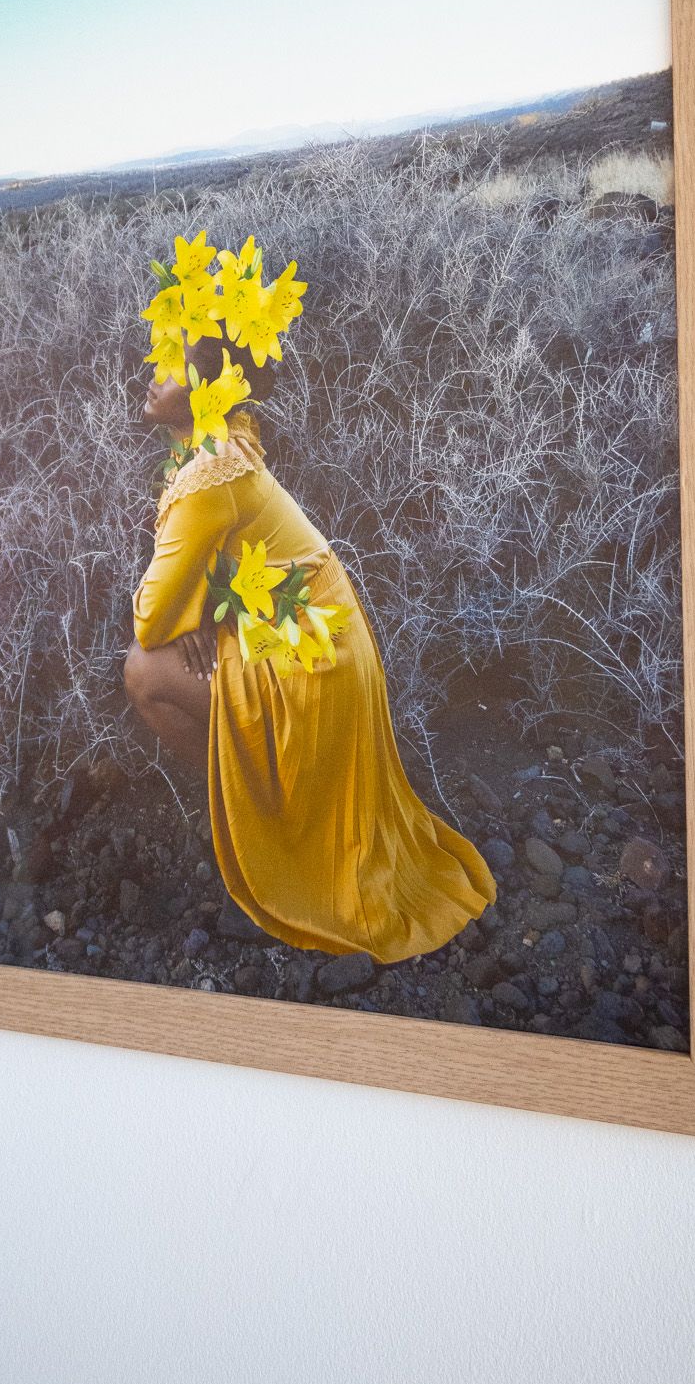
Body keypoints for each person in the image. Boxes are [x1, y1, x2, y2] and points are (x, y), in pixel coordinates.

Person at [123, 277, 496, 964]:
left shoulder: (210, 473)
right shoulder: (221, 438)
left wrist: (184, 612)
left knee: (144, 671)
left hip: (313, 654)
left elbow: (150, 622)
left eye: (172, 365)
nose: (152, 375)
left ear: (214, 388)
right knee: (169, 652)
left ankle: (258, 827)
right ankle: (259, 811)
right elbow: (200, 572)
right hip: (318, 633)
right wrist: (199, 604)